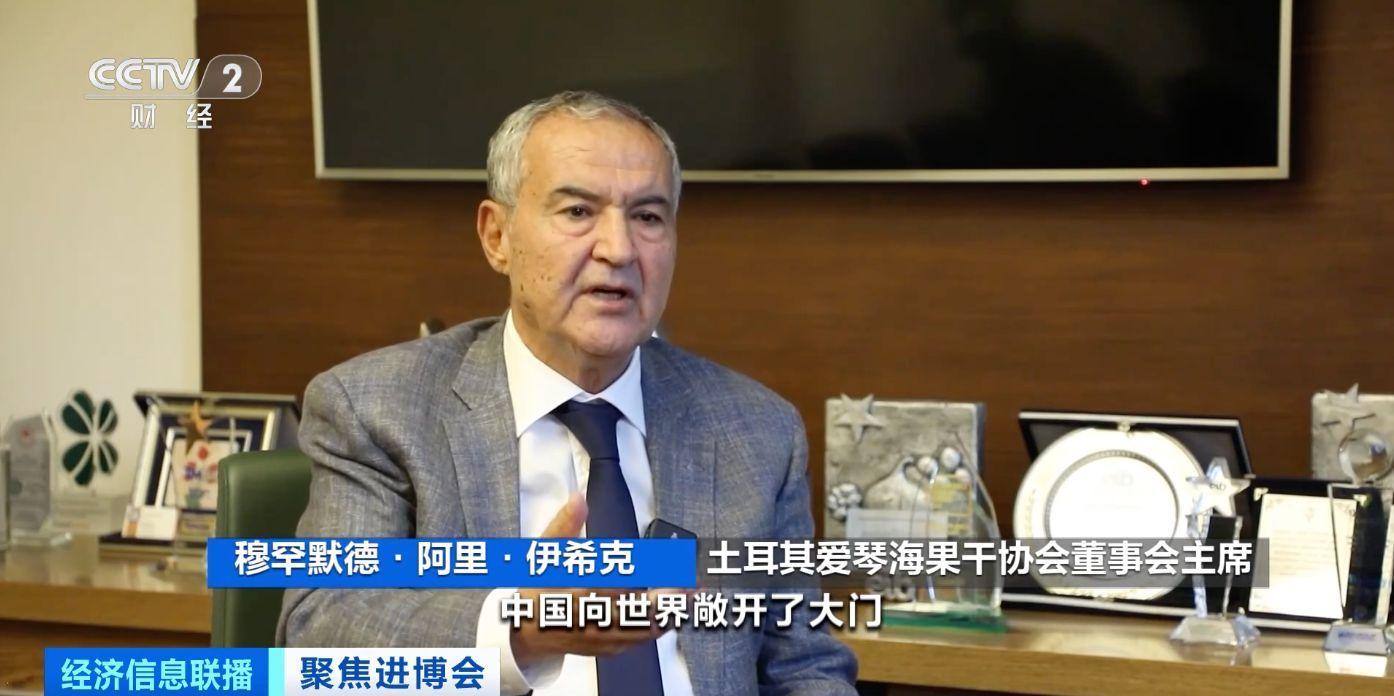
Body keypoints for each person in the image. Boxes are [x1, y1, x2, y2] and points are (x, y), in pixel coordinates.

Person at [278, 90, 858, 696]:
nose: (619, 249)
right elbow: (322, 627)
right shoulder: (377, 409)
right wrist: (522, 631)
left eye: (648, 217)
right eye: (578, 211)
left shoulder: (757, 430)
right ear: (497, 236)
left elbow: (804, 667)